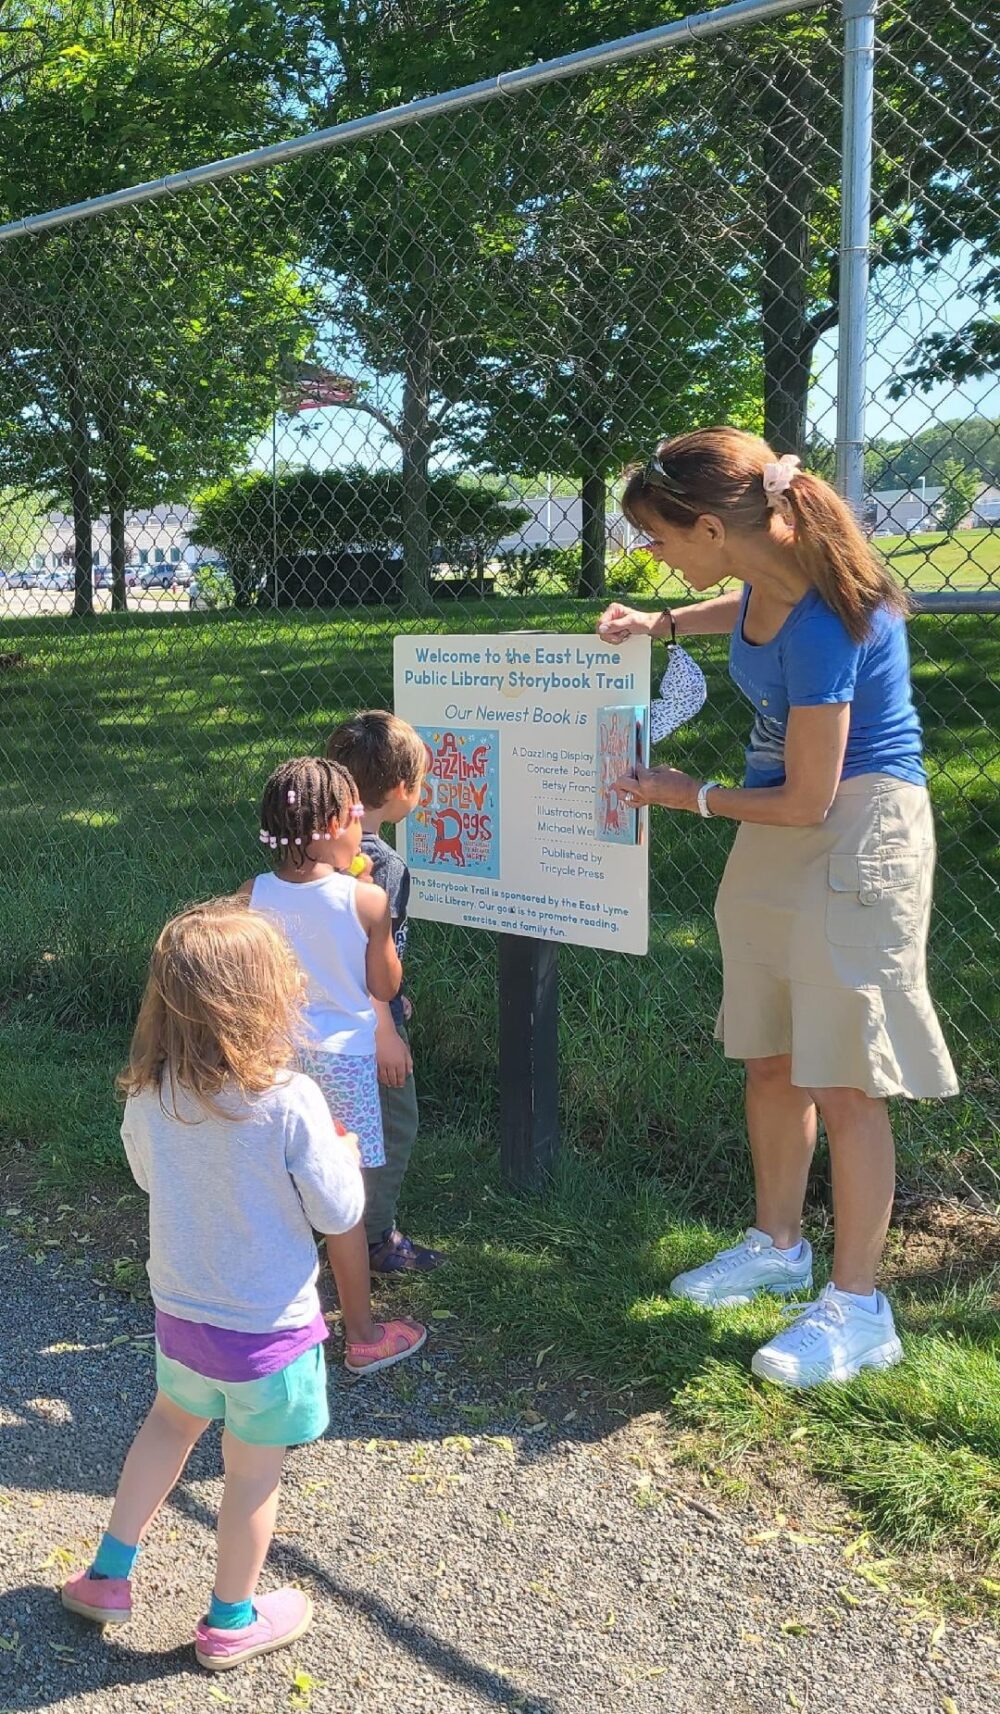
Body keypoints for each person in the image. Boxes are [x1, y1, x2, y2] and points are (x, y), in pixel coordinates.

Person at [599, 427, 957, 1388]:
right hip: (778, 820)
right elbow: (741, 603)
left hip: (854, 824)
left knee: (843, 1076)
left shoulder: (833, 617)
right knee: (770, 1054)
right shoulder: (765, 577)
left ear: (714, 526)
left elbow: (809, 797)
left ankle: (857, 1306)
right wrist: (663, 623)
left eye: (658, 538)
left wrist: (692, 795)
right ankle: (777, 1244)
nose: (652, 554)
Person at [61, 901, 369, 1668]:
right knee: (252, 1474)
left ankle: (108, 1574)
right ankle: (230, 1619)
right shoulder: (291, 1100)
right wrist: (345, 1152)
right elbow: (337, 1211)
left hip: (183, 1316)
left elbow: (145, 1175)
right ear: (272, 996)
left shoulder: (150, 1093)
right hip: (270, 1334)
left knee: (167, 1424)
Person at [244, 754, 427, 1368]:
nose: (362, 829)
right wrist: (371, 903)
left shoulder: (251, 896)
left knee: (282, 1183)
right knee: (341, 1198)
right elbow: (385, 984)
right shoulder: (366, 899)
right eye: (354, 815)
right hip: (344, 1064)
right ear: (329, 825)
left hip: (276, 1056)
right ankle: (363, 1334)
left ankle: (273, 1315)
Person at [326, 710, 446, 1275]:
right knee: (394, 1123)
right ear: (401, 791)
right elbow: (372, 955)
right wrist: (388, 1025)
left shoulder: (313, 848)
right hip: (368, 1026)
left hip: (318, 1016)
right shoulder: (384, 866)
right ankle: (374, 1237)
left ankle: (324, 1222)